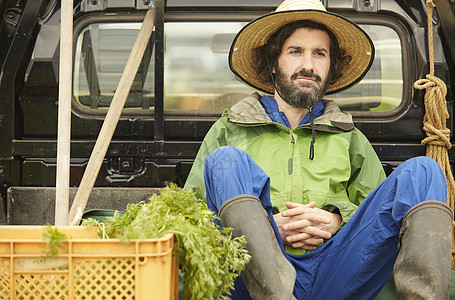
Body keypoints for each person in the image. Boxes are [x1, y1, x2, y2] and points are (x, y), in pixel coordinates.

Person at [184, 0, 453, 299]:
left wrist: (336, 219)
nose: (308, 65)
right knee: (226, 160)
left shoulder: (349, 138)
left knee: (425, 171)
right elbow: (190, 220)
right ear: (274, 62)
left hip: (335, 273)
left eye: (319, 54)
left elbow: (379, 220)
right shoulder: (228, 130)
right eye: (296, 51)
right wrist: (264, 229)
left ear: (330, 66)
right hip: (248, 277)